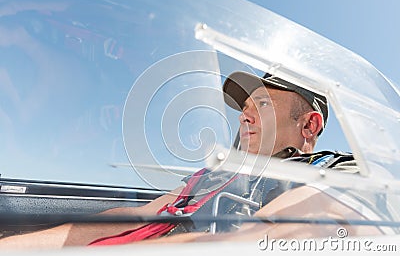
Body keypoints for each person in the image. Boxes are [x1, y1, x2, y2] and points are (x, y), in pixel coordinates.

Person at [0, 71, 375, 248]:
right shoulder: (213, 176)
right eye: (243, 107)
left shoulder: (337, 173)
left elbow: (274, 236)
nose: (244, 116)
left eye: (260, 105)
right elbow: (139, 216)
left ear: (309, 124)